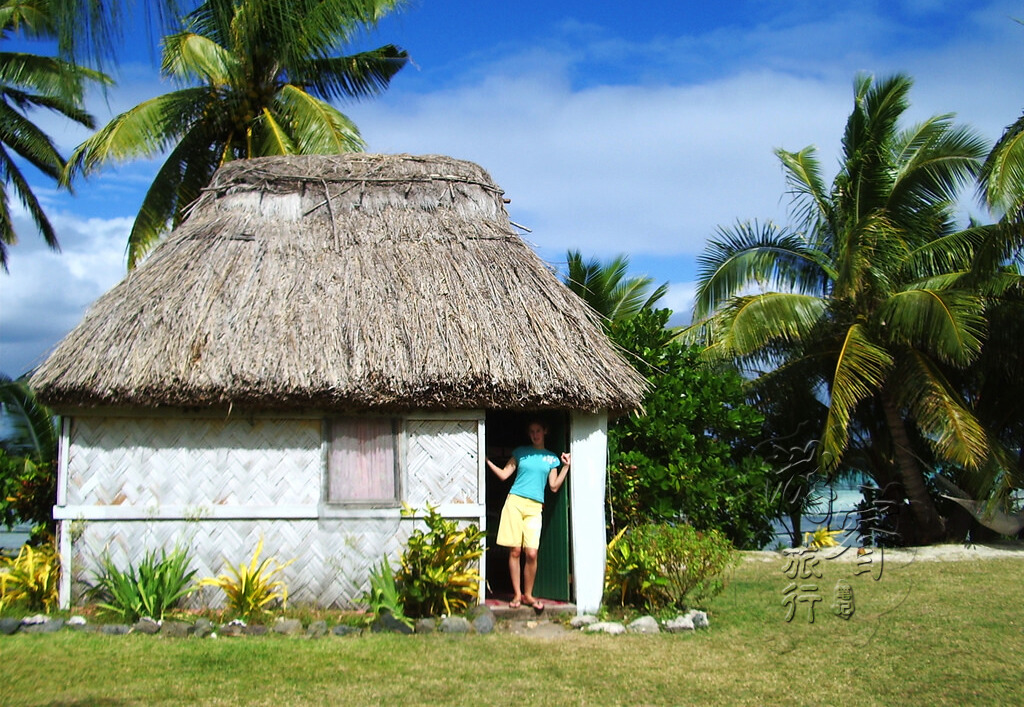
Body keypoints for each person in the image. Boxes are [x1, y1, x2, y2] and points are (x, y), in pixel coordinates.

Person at [485, 420, 570, 612]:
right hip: (515, 501)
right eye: (532, 431)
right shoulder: (520, 452)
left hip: (535, 506)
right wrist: (487, 461)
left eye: (538, 430)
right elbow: (504, 475)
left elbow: (554, 486)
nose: (535, 434)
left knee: (531, 552)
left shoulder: (551, 458)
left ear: (545, 431)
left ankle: (528, 594)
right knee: (515, 551)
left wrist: (565, 467)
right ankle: (517, 594)